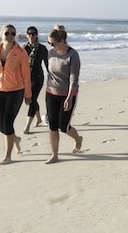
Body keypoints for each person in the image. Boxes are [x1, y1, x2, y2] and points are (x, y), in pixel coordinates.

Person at [0, 24, 31, 165]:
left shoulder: (21, 52)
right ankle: (15, 139)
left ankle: (8, 156)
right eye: (7, 33)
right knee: (0, 125)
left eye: (13, 33)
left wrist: (28, 94)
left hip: (16, 91)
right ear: (2, 34)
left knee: (7, 123)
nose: (10, 36)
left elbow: (26, 74)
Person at [44, 24, 84, 164]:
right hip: (51, 93)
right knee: (52, 125)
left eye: (52, 43)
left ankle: (78, 139)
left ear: (61, 41)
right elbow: (49, 73)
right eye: (49, 43)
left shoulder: (72, 55)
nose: (51, 45)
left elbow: (74, 78)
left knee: (64, 126)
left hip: (67, 95)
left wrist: (69, 98)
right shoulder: (51, 53)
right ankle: (55, 155)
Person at [23, 26, 49, 134]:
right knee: (31, 100)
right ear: (26, 35)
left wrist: (53, 78)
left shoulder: (42, 49)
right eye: (29, 34)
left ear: (37, 35)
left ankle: (27, 126)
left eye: (33, 34)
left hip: (38, 78)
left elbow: (47, 65)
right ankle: (38, 118)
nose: (31, 36)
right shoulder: (24, 49)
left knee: (32, 99)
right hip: (27, 79)